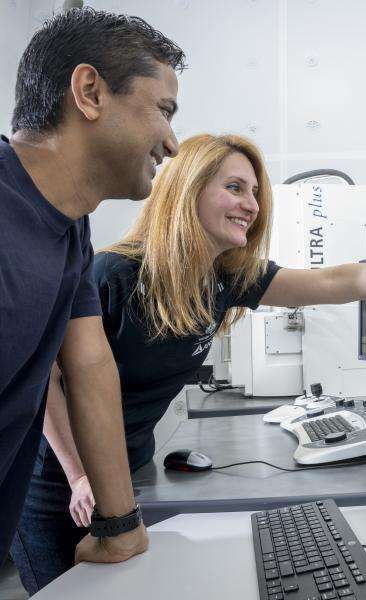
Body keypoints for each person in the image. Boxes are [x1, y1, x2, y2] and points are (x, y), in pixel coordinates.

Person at [11, 131, 366, 592]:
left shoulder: (227, 279)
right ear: (189, 191)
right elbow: (46, 383)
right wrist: (78, 473)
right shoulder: (115, 275)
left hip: (128, 468)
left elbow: (337, 283)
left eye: (254, 192)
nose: (250, 205)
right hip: (56, 480)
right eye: (235, 187)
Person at [0, 7, 186, 572]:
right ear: (89, 92)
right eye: (163, 110)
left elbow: (89, 365)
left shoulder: (71, 225)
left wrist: (120, 524)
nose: (173, 143)